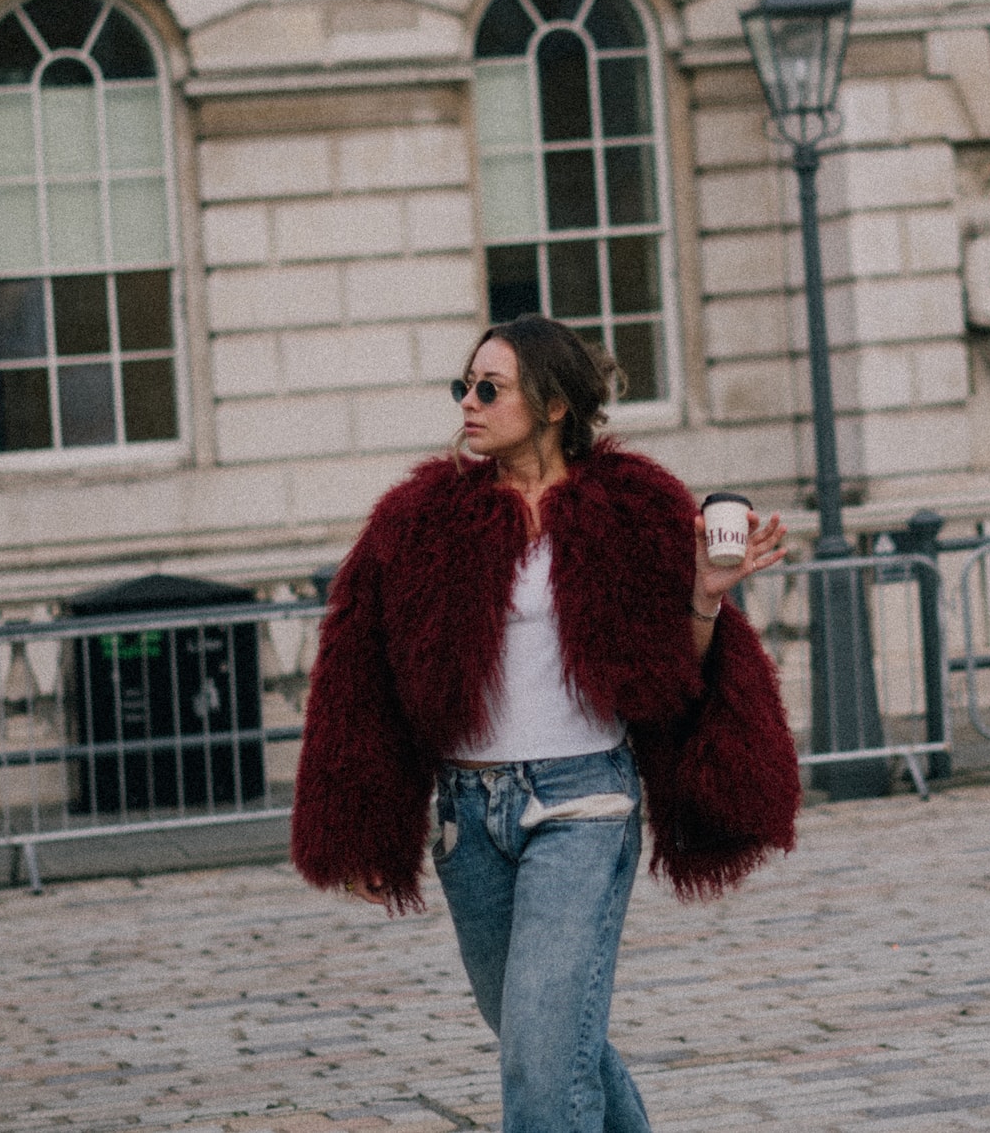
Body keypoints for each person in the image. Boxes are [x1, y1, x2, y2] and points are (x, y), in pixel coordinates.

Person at [291, 313, 802, 1133]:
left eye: (489, 389)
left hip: (583, 805)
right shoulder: (420, 518)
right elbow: (362, 674)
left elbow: (670, 681)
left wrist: (704, 598)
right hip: (467, 820)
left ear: (554, 403)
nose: (468, 403)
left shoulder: (632, 506)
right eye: (462, 385)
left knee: (538, 1063)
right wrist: (359, 829)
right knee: (554, 1044)